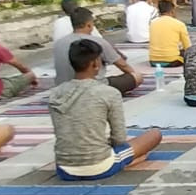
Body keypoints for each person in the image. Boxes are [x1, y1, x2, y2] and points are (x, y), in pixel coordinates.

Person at [50, 39, 162, 180]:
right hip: (99, 165)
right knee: (154, 135)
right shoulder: (108, 93)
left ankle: (125, 160)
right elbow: (119, 139)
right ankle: (125, 162)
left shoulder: (55, 93)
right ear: (95, 64)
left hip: (64, 168)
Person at [53, 8, 141, 94]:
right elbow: (122, 65)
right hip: (92, 88)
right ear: (89, 25)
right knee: (137, 77)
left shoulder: (59, 43)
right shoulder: (97, 41)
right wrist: (133, 75)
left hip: (62, 88)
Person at [148, 0, 191, 67]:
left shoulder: (152, 23)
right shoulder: (179, 24)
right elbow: (188, 47)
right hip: (172, 60)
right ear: (172, 11)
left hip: (153, 61)